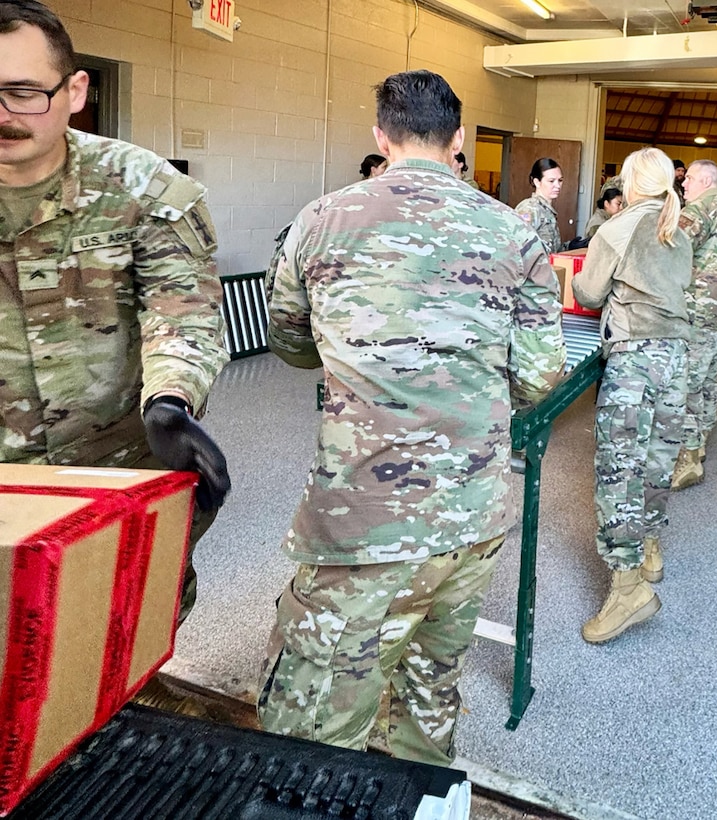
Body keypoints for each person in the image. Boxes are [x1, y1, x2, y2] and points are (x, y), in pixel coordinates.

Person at [258, 69, 566, 766]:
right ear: (458, 139)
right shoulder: (510, 232)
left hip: (364, 521)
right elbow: (541, 372)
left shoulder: (320, 219)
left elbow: (290, 343)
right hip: (472, 514)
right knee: (429, 692)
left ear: (380, 137)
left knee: (313, 730)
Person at [0, 2, 231, 715]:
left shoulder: (143, 189)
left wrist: (172, 400)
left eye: (21, 92)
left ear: (74, 91)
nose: (2, 113)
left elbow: (180, 308)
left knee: (121, 632)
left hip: (111, 472)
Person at [571, 147, 692, 643]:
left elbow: (588, 292)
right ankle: (649, 549)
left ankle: (626, 590)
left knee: (619, 472)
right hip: (676, 360)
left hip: (636, 361)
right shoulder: (678, 230)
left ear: (628, 183)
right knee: (657, 461)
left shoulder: (616, 228)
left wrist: (579, 274)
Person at [670, 160, 717, 490]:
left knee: (686, 384)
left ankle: (687, 458)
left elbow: (672, 250)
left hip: (698, 312)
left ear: (706, 180)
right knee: (707, 380)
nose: (684, 185)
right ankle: (700, 445)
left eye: (690, 180)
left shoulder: (699, 210)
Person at [515, 157, 565, 254]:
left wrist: (569, 246)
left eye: (560, 180)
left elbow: (551, 249)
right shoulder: (529, 208)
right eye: (551, 181)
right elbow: (518, 246)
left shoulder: (547, 211)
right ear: (537, 182)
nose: (558, 185)